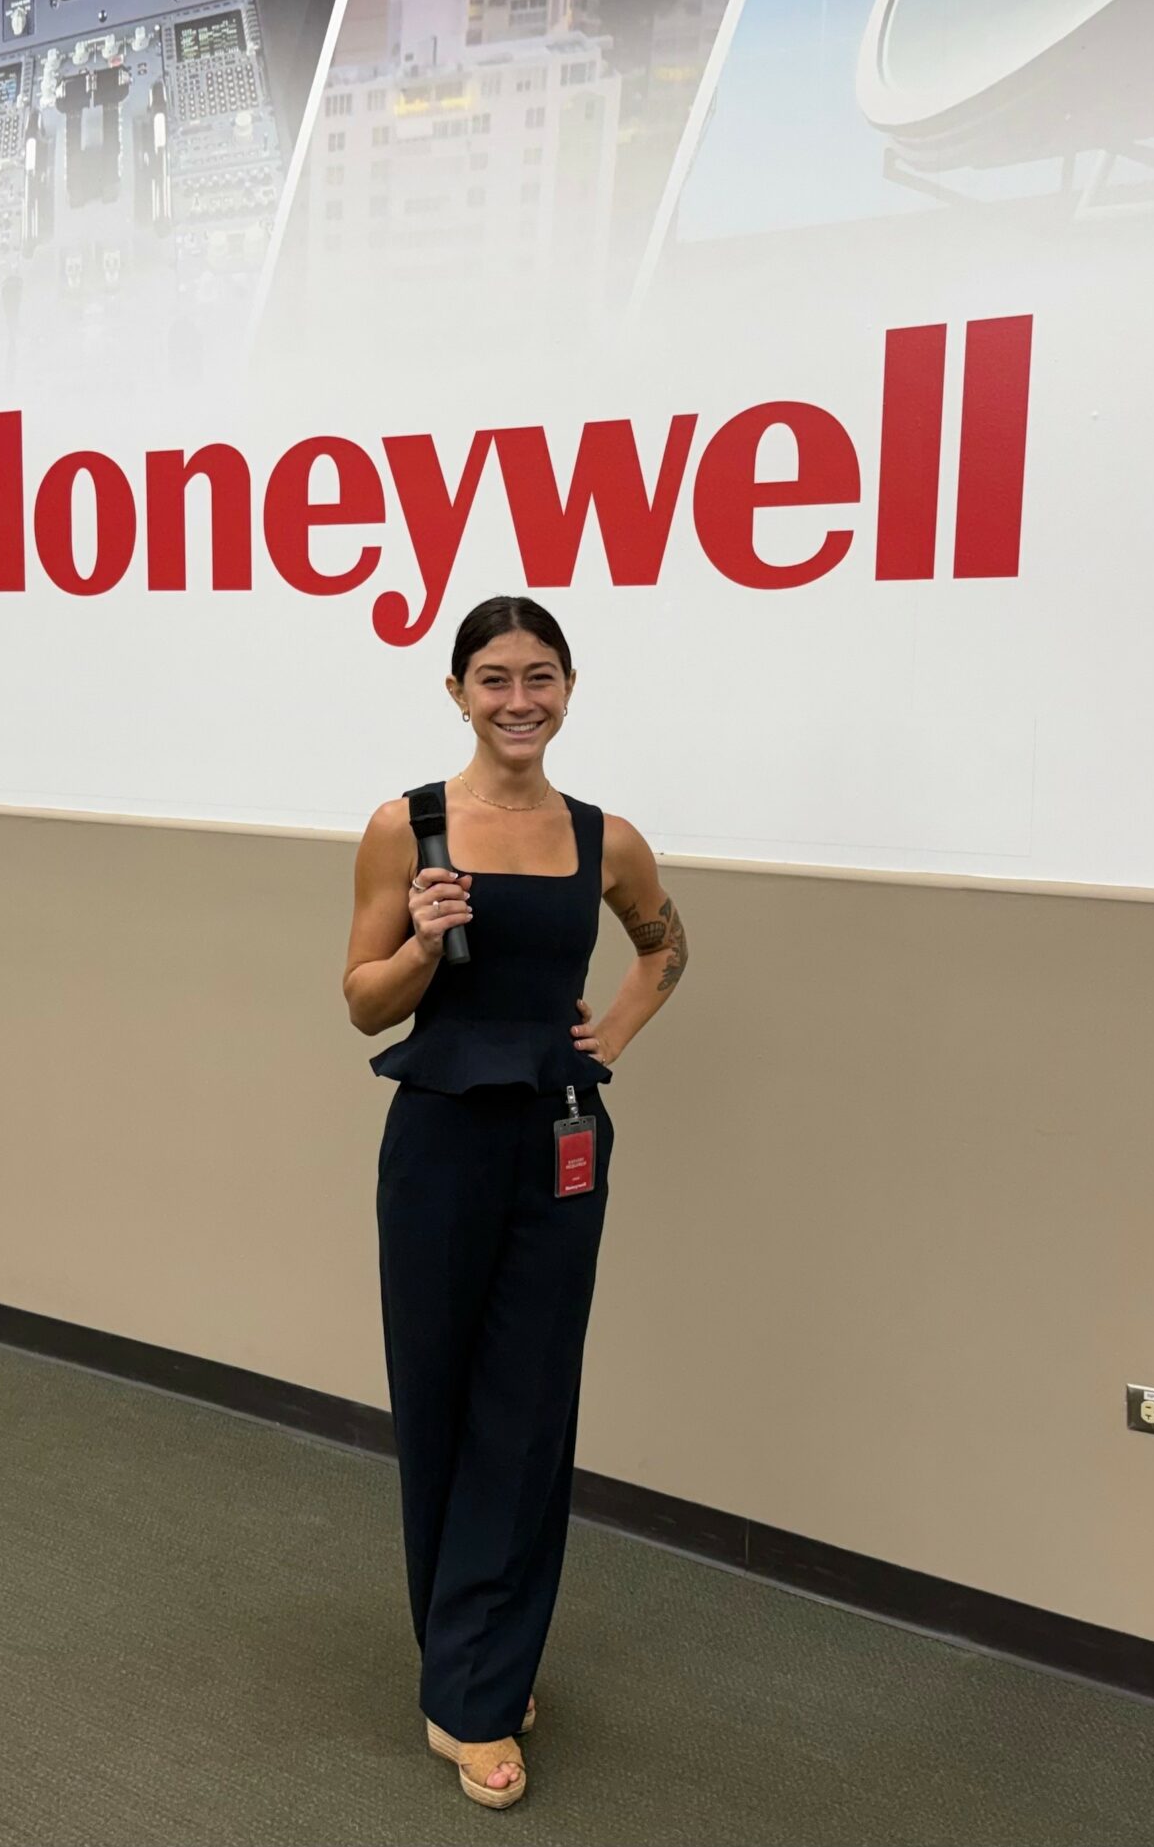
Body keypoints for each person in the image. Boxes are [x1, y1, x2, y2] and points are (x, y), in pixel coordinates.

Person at [341, 594, 689, 1809]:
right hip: (438, 1144)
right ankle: (466, 1658)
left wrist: (614, 1033)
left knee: (529, 1408)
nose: (519, 698)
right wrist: (421, 946)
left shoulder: (606, 838)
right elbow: (362, 1002)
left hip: (559, 1144)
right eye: (494, 677)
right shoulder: (407, 826)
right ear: (457, 693)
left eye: (541, 675)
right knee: (440, 1396)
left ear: (569, 688)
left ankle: (478, 1688)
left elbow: (665, 946)